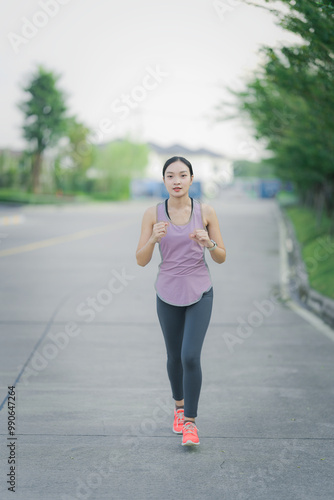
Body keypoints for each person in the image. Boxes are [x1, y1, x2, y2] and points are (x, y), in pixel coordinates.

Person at [135, 156, 226, 446]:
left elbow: (221, 256)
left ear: (191, 179)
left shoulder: (206, 211)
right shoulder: (153, 214)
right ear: (164, 181)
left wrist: (208, 243)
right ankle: (178, 407)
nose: (177, 181)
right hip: (167, 292)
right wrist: (153, 240)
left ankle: (190, 423)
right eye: (170, 176)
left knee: (190, 356)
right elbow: (140, 260)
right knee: (174, 356)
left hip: (200, 292)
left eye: (182, 175)